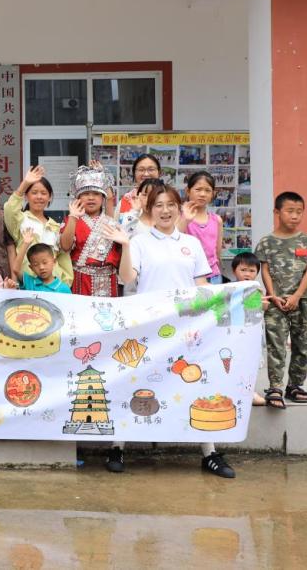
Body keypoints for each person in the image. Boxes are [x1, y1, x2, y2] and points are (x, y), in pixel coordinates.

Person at [102, 183, 234, 479]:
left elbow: (203, 287)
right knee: (134, 381)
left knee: (194, 384)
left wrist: (239, 300)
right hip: (148, 327)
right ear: (150, 210)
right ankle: (117, 446)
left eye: (170, 205)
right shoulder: (138, 242)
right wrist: (125, 246)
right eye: (158, 205)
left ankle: (209, 452)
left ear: (179, 208)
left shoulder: (191, 243)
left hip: (185, 328)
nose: (165, 211)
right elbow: (128, 279)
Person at [255, 191, 307, 408]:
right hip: (276, 302)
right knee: (276, 345)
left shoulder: (306, 240)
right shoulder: (266, 242)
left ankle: (295, 385)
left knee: (302, 344)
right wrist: (273, 296)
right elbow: (265, 270)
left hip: (303, 301)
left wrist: (297, 295)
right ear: (277, 212)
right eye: (290, 211)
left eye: (299, 212)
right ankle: (276, 387)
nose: (295, 216)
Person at [59, 166, 121, 297]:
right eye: (86, 194)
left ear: (103, 198)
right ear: (78, 197)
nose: (91, 198)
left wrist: (103, 172)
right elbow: (65, 246)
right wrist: (73, 217)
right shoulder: (72, 220)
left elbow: (110, 199)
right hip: (82, 279)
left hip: (109, 279)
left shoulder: (110, 221)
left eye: (96, 194)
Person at [4, 165, 71, 285]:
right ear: (26, 196)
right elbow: (10, 209)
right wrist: (25, 183)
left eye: (43, 193)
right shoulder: (21, 219)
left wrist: (65, 282)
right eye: (34, 193)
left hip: (53, 286)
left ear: (49, 197)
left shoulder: (55, 226)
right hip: (28, 283)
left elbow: (63, 257)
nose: (39, 197)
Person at [230, 251, 270, 407]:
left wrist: (262, 302)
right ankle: (233, 390)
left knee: (251, 362)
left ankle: (250, 391)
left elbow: (263, 308)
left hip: (252, 334)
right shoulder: (229, 288)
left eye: (252, 271)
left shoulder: (256, 289)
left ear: (257, 273)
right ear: (234, 270)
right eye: (243, 270)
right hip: (234, 334)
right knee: (235, 363)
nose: (247, 274)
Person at [180, 171, 224, 284]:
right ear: (188, 191)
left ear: (213, 193)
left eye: (207, 190)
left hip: (213, 275)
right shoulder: (181, 218)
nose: (203, 194)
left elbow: (217, 252)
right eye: (198, 189)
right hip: (189, 276)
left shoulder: (217, 220)